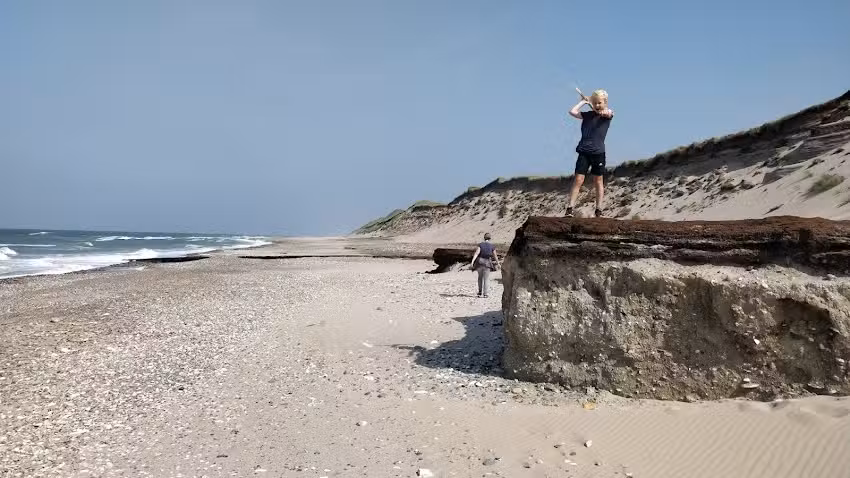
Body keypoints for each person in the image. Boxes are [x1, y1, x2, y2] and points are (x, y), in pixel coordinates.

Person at [566, 89, 614, 218]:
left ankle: (599, 210)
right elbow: (572, 112)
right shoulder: (587, 115)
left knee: (598, 180)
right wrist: (583, 102)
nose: (598, 105)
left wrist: (600, 109)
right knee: (578, 179)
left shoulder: (607, 114)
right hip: (584, 151)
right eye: (595, 103)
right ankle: (570, 209)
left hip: (598, 153)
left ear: (605, 102)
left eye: (600, 102)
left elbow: (608, 113)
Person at [469, 233, 500, 298]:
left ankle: (480, 292)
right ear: (490, 238)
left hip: (479, 262)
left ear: (484, 238)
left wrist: (472, 262)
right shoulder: (492, 246)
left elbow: (476, 253)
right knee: (486, 279)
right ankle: (485, 294)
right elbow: (495, 256)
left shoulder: (480, 245)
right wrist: (498, 263)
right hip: (487, 263)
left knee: (480, 277)